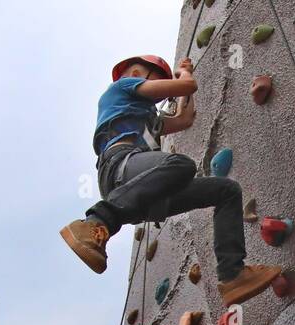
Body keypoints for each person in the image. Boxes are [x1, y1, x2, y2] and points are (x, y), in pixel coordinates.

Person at [60, 54, 282, 306]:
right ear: (135, 74)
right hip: (120, 166)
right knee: (181, 165)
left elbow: (184, 119)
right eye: (159, 82)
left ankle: (233, 274)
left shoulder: (146, 117)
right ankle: (95, 222)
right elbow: (187, 86)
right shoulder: (121, 88)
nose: (162, 92)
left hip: (142, 190)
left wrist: (184, 85)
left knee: (226, 190)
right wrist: (184, 76)